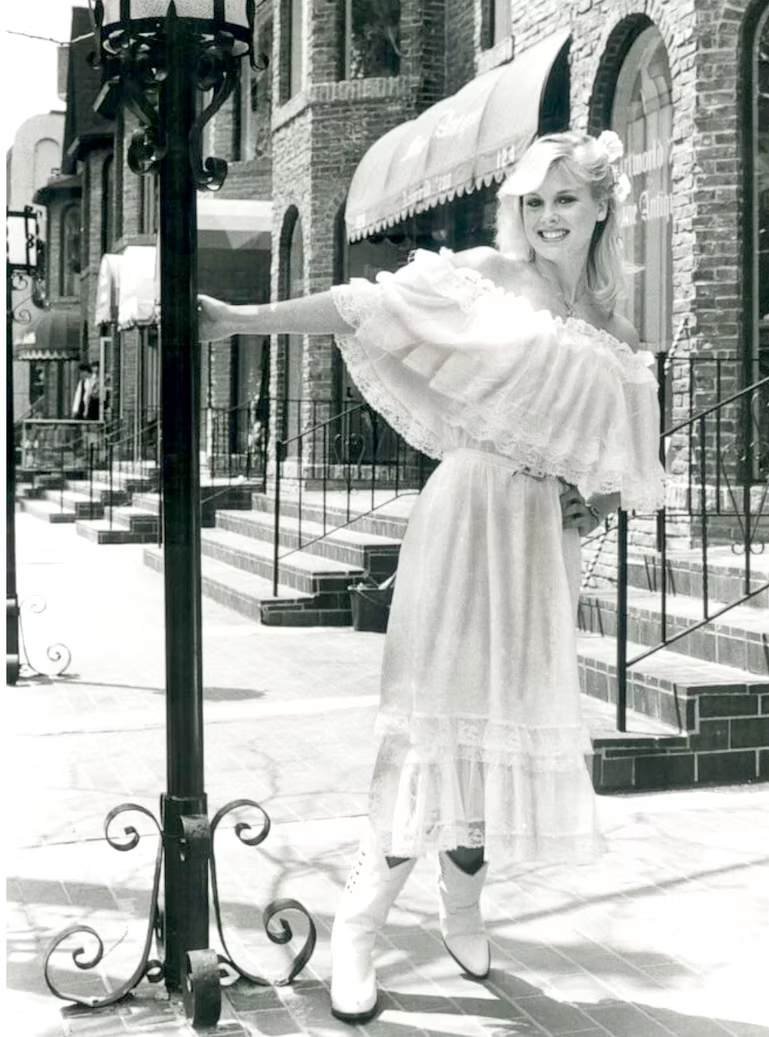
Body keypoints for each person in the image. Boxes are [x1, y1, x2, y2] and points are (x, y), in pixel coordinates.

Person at [198, 130, 664, 1023]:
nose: (547, 217)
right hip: (466, 513)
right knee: (435, 725)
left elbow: (627, 461)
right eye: (534, 199)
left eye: (566, 199)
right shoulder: (487, 273)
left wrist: (592, 505)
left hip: (539, 542)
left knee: (502, 722)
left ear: (602, 206)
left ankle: (461, 906)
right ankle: (359, 928)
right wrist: (243, 321)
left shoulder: (613, 330)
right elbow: (364, 305)